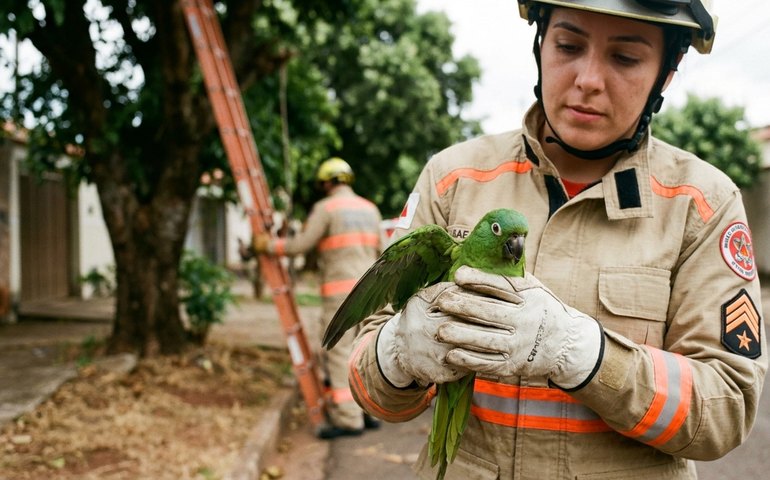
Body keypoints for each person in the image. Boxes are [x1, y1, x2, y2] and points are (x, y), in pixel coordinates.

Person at [349, 1, 767, 478]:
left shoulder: (702, 204)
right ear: (540, 43)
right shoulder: (453, 179)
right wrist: (397, 353)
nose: (588, 79)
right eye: (568, 46)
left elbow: (726, 411)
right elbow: (370, 391)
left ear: (666, 74)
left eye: (625, 58)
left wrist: (589, 357)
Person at [252, 157, 384, 439]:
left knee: (339, 354)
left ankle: (349, 420)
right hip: (371, 293)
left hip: (340, 294)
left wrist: (269, 245)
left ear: (326, 182)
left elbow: (301, 245)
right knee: (367, 351)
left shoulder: (326, 208)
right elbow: (382, 252)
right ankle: (368, 411)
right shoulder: (370, 209)